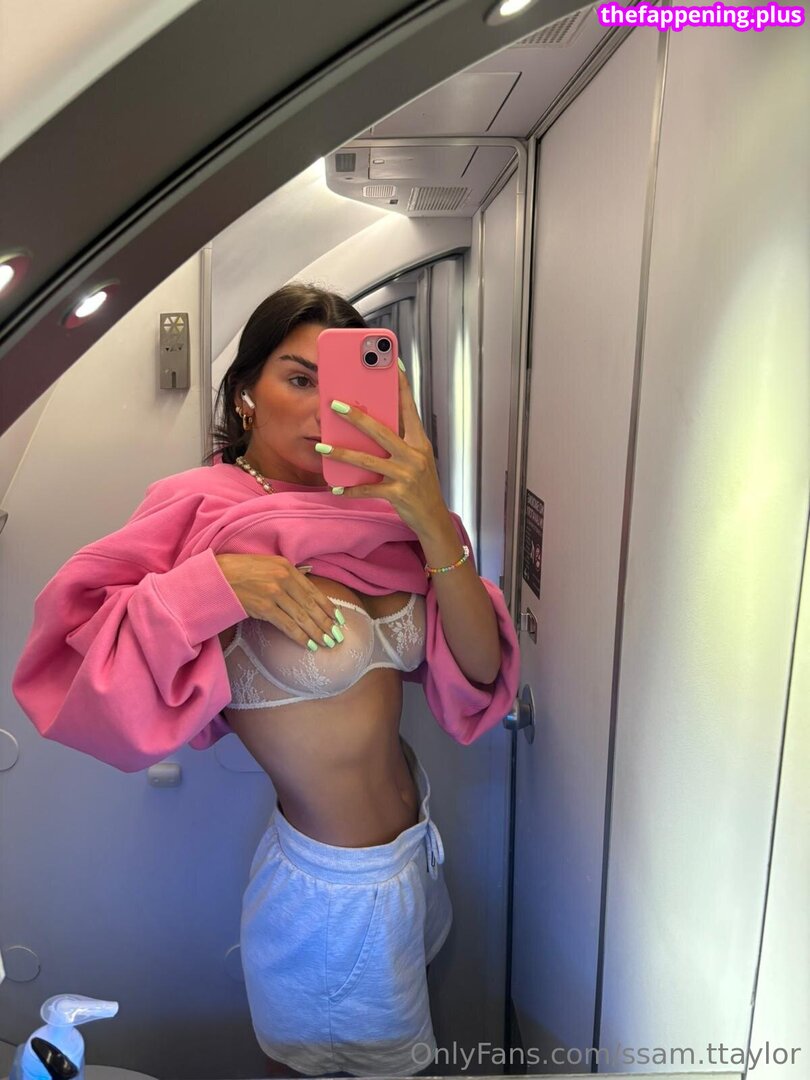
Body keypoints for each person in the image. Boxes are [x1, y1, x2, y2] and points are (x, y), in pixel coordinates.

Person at [12, 283, 521, 1079]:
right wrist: (218, 585)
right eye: (299, 378)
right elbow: (74, 651)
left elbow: (482, 666)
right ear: (246, 392)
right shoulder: (201, 511)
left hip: (414, 860)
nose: (326, 407)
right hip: (329, 899)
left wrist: (429, 516)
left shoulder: (384, 516)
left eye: (343, 382)